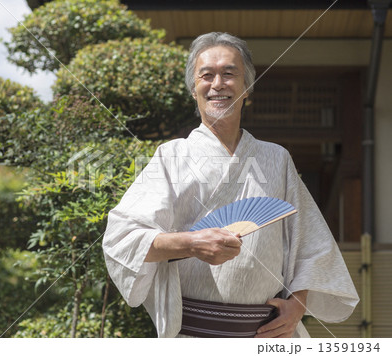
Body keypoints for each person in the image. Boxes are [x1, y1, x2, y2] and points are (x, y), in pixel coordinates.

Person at [102, 32, 359, 338]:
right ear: (194, 89)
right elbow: (123, 238)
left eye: (229, 73)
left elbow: (311, 245)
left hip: (270, 333)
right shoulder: (171, 156)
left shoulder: (276, 159)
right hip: (192, 335)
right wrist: (191, 243)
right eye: (206, 75)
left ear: (247, 86)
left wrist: (298, 305)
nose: (218, 84)